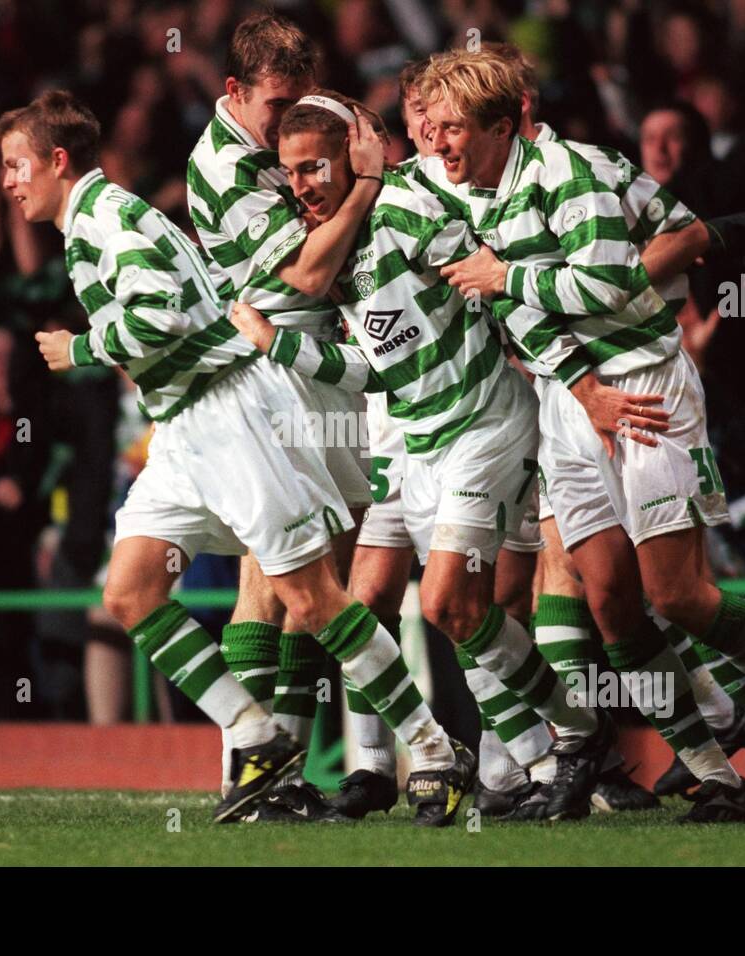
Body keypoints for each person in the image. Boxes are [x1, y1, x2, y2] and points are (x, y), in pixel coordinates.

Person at [2, 89, 476, 825]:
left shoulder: (106, 216)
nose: (8, 181)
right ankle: (255, 735)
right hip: (184, 426)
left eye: (16, 164)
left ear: (58, 162)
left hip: (230, 417)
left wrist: (82, 349)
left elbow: (158, 311)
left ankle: (436, 748)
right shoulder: (91, 221)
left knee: (312, 599)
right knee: (128, 591)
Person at [421, 49, 745, 821]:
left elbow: (606, 280)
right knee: (613, 603)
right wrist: (574, 382)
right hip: (572, 399)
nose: (440, 144)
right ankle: (717, 776)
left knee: (678, 594)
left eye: (453, 128)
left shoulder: (572, 174)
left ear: (501, 123)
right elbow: (525, 312)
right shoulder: (478, 193)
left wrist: (506, 277)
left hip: (643, 385)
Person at [231, 88, 615, 822]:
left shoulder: (407, 208)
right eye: (293, 172)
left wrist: (578, 381)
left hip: (485, 422)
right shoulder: (328, 248)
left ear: (355, 157)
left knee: (446, 601)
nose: (304, 186)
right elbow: (374, 370)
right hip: (415, 439)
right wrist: (277, 344)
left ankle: (562, 740)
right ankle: (557, 744)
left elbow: (495, 288)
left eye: (316, 167)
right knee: (458, 610)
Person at [185, 13, 379, 818]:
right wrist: (365, 184)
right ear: (234, 94)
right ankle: (247, 768)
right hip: (269, 379)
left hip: (319, 377)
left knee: (315, 573)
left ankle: (283, 764)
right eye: (275, 106)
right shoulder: (225, 168)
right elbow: (303, 274)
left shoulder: (276, 142)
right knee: (270, 577)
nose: (288, 122)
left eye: (303, 102)